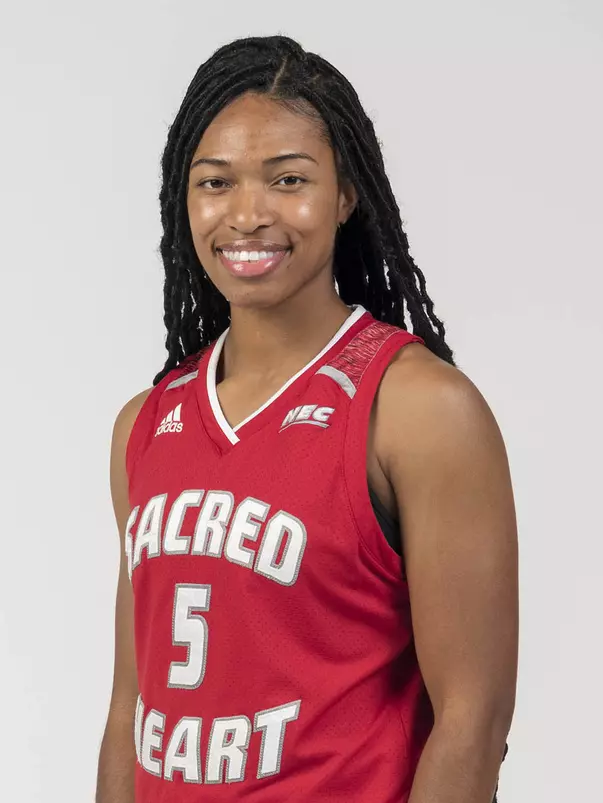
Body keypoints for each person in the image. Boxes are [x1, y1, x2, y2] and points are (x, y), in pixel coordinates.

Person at [96, 34, 518, 803]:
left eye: (287, 179)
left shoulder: (419, 410)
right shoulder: (142, 426)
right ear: (182, 199)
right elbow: (131, 709)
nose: (248, 215)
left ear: (344, 194)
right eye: (214, 182)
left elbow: (473, 721)